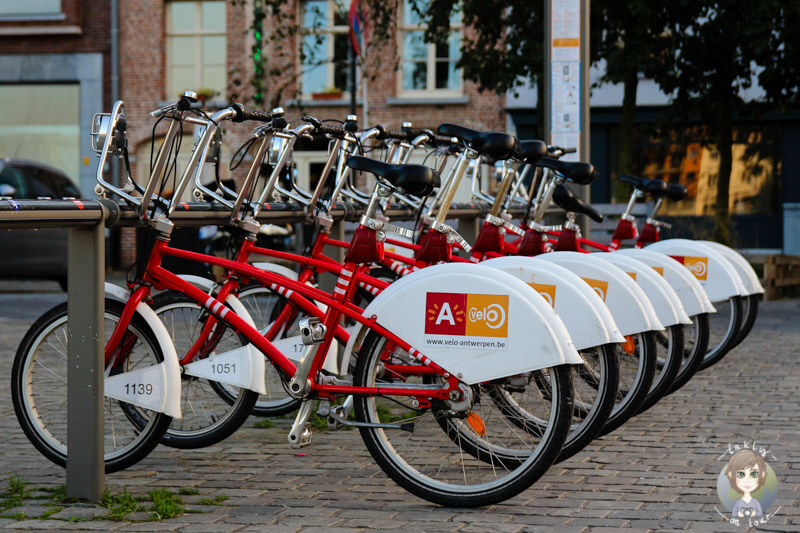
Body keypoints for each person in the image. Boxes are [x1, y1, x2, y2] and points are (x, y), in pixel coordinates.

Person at [726, 449, 767, 518]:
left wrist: (754, 513)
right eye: (741, 474)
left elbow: (759, 512)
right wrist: (739, 514)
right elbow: (734, 513)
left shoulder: (755, 502)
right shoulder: (738, 502)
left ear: (762, 475)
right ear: (731, 475)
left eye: (754, 474)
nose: (747, 480)